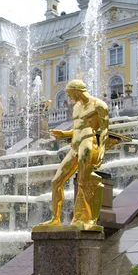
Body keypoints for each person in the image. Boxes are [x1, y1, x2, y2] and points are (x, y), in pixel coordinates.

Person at [38, 79, 109, 229]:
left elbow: (104, 129)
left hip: (88, 144)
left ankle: (88, 219)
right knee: (56, 181)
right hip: (75, 146)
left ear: (77, 91)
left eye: (70, 94)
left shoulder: (99, 105)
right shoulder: (76, 107)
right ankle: (55, 218)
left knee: (83, 182)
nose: (70, 98)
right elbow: (77, 129)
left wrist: (102, 148)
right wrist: (64, 134)